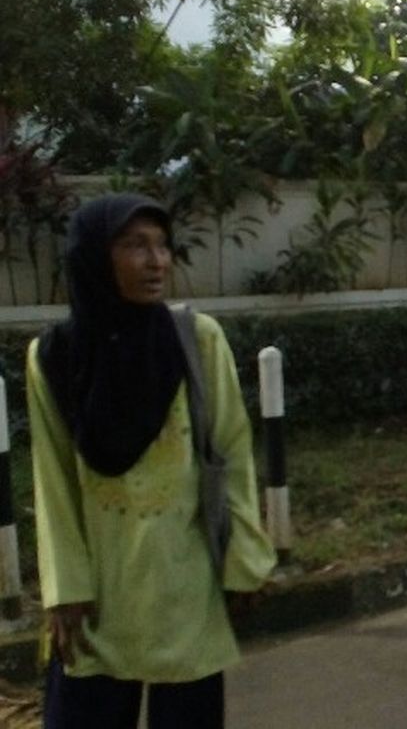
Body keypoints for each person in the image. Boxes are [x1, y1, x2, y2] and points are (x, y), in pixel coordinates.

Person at [28, 193, 276, 728]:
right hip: (100, 593)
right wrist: (64, 589)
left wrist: (243, 564)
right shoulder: (54, 356)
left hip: (185, 584)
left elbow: (230, 451)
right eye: (134, 246)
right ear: (95, 257)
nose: (156, 261)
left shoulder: (197, 340)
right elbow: (53, 482)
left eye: (162, 246)